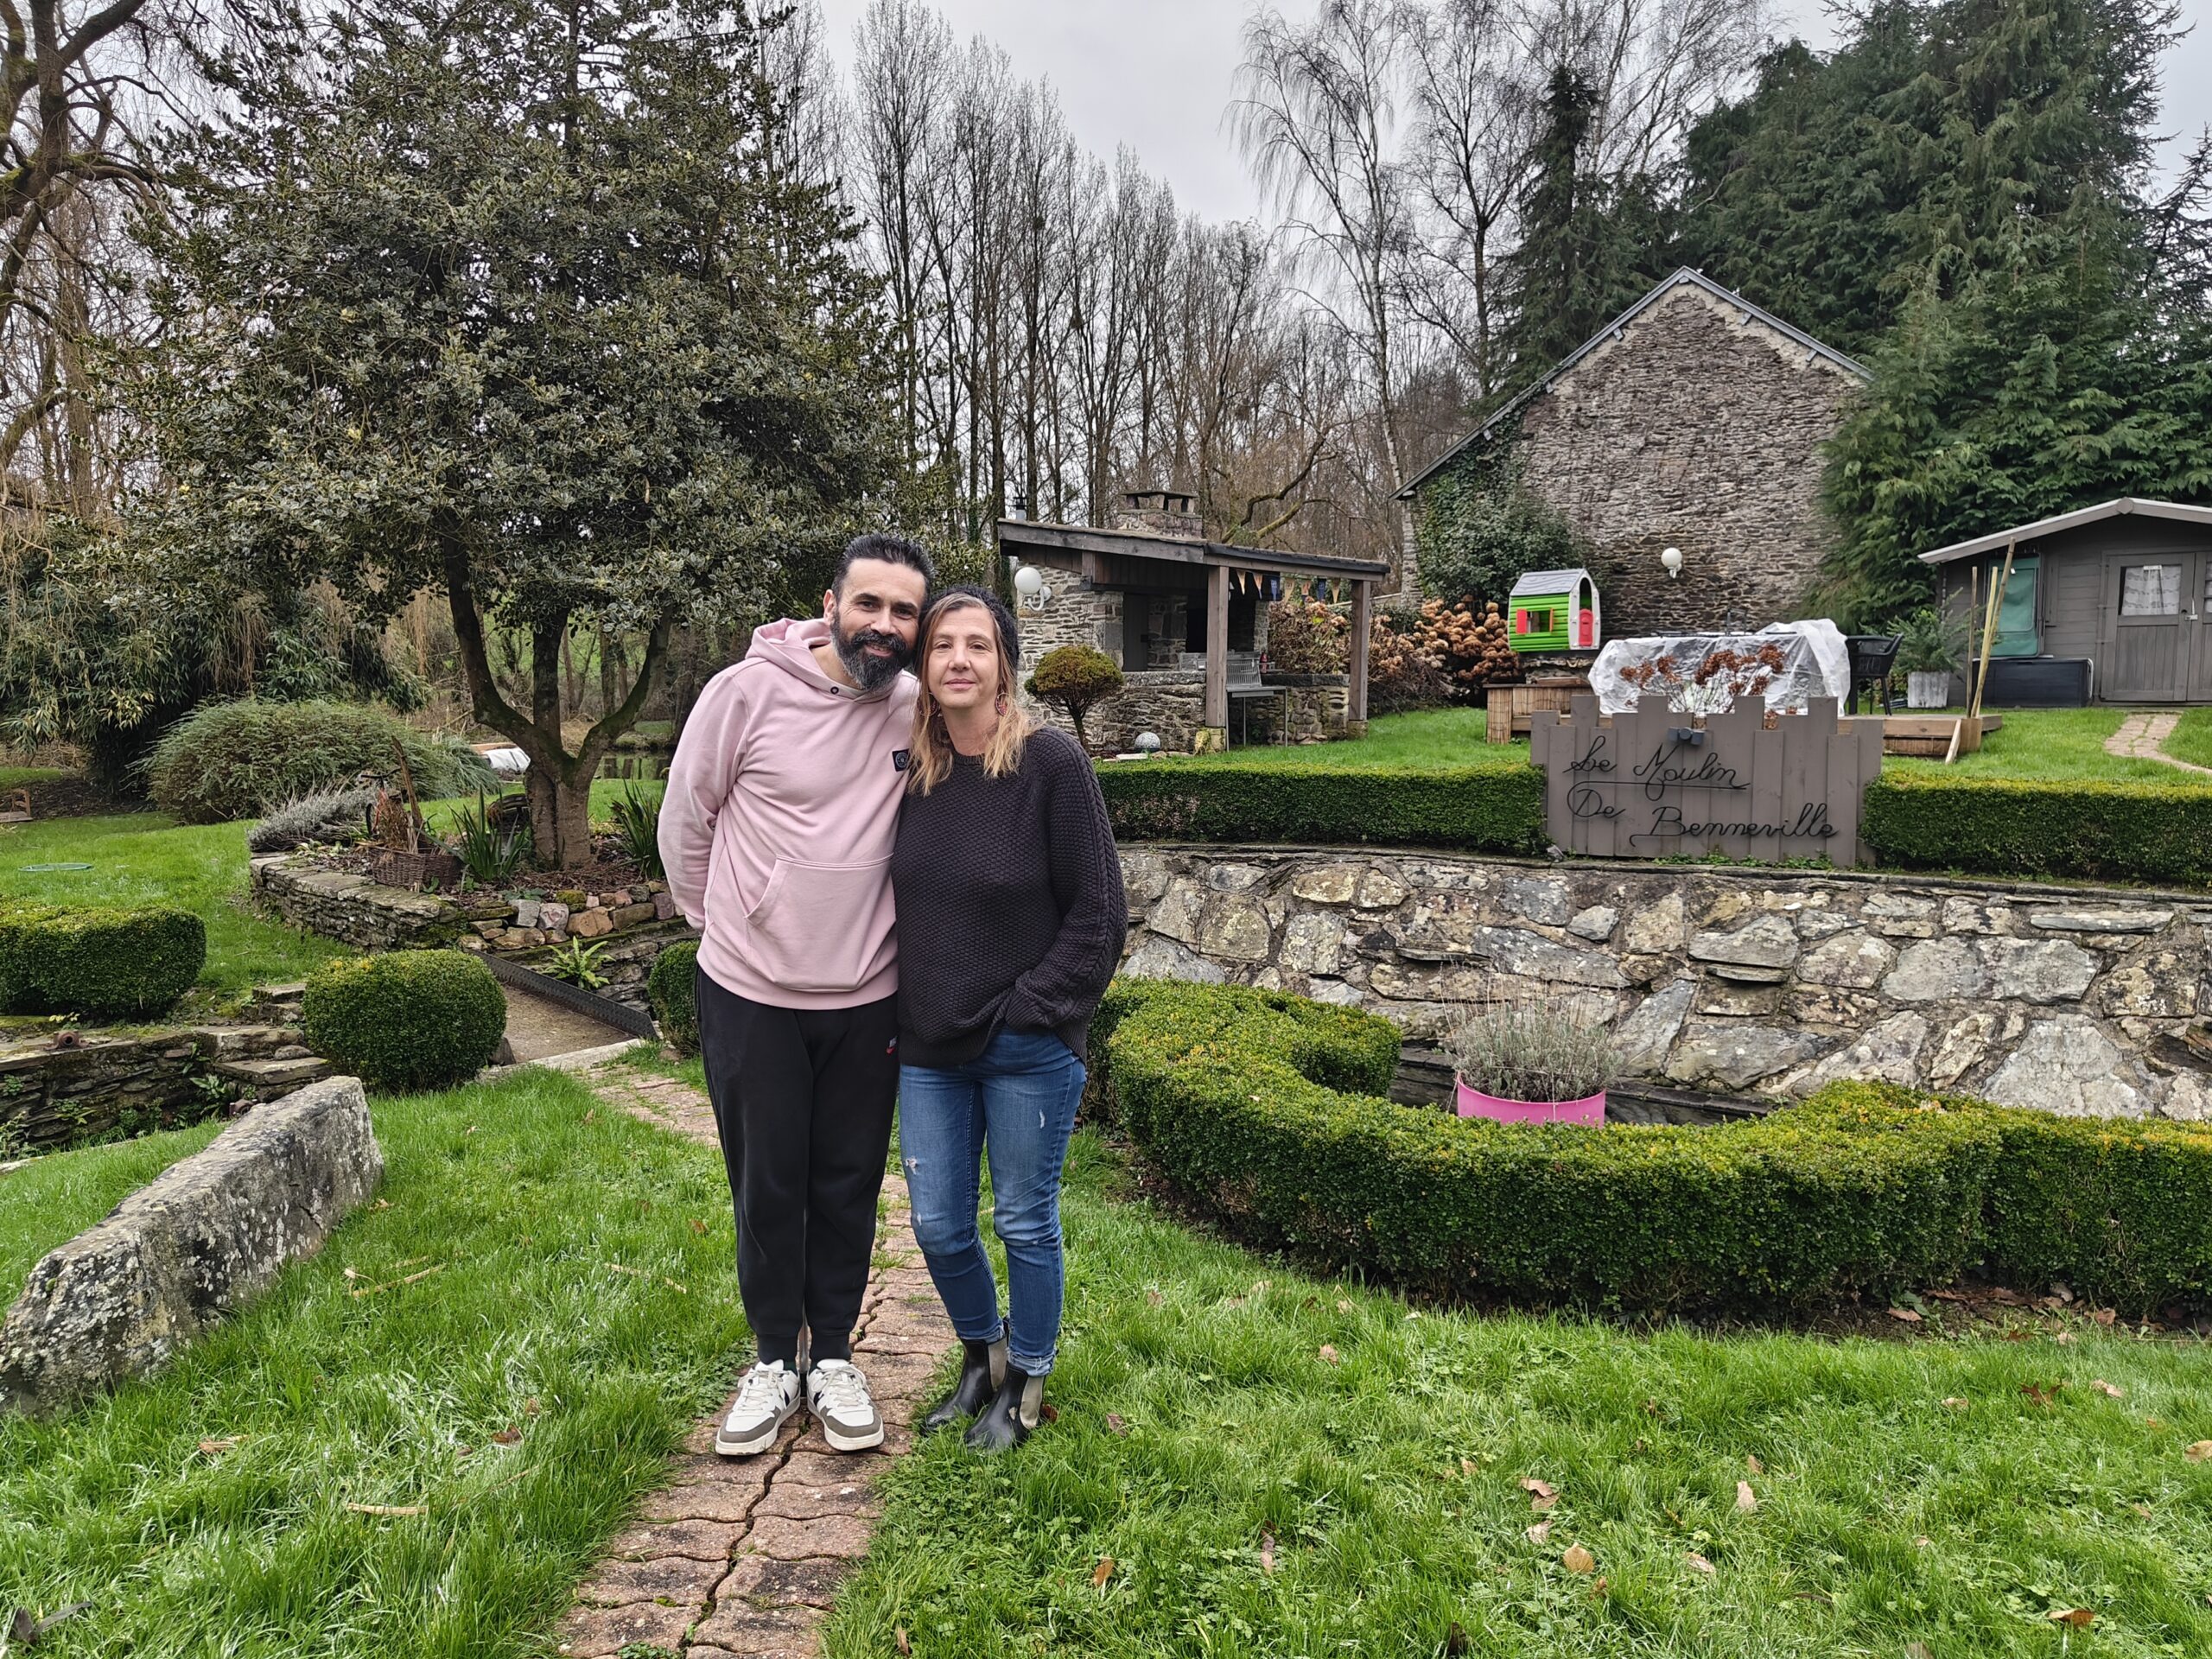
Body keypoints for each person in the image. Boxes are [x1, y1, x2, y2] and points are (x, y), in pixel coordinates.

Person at [659, 532, 933, 1457]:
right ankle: (776, 1359)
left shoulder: (912, 707)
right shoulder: (743, 693)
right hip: (751, 991)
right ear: (830, 604)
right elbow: (685, 818)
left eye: (904, 611)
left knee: (849, 1181)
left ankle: (836, 1357)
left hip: (868, 994)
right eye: (870, 604)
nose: (885, 626)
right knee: (767, 1180)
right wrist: (725, 924)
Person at [889, 585, 1127, 1452]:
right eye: (941, 645)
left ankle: (1026, 1380)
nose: (957, 659)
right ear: (924, 668)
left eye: (977, 646)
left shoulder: (1050, 766)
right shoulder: (913, 773)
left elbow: (1100, 916)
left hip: (1026, 1047)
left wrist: (1029, 1011)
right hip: (929, 1049)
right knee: (938, 1224)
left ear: (1005, 668)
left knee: (1023, 1220)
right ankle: (980, 1357)